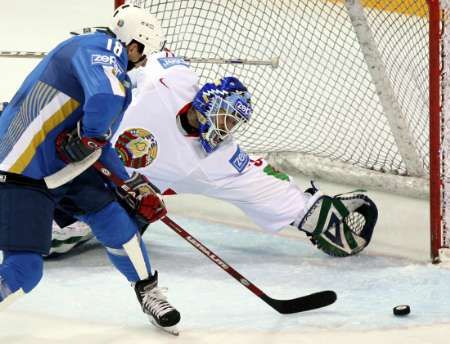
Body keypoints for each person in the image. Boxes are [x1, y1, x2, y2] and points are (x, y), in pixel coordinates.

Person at [50, 50, 378, 260]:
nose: (227, 128)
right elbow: (148, 55)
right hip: (75, 144)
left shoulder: (217, 160)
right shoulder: (174, 81)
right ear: (206, 104)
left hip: (111, 191)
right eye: (226, 117)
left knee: (57, 237)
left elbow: (265, 188)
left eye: (235, 123)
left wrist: (319, 216)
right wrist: (111, 54)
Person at [0, 4, 180, 335]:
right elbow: (104, 99)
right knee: (25, 270)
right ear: (133, 44)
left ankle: (148, 290)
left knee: (114, 220)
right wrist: (91, 138)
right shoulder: (102, 47)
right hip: (21, 169)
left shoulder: (105, 61)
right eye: (142, 55)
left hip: (61, 166)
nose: (140, 62)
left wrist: (130, 185)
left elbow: (101, 143)